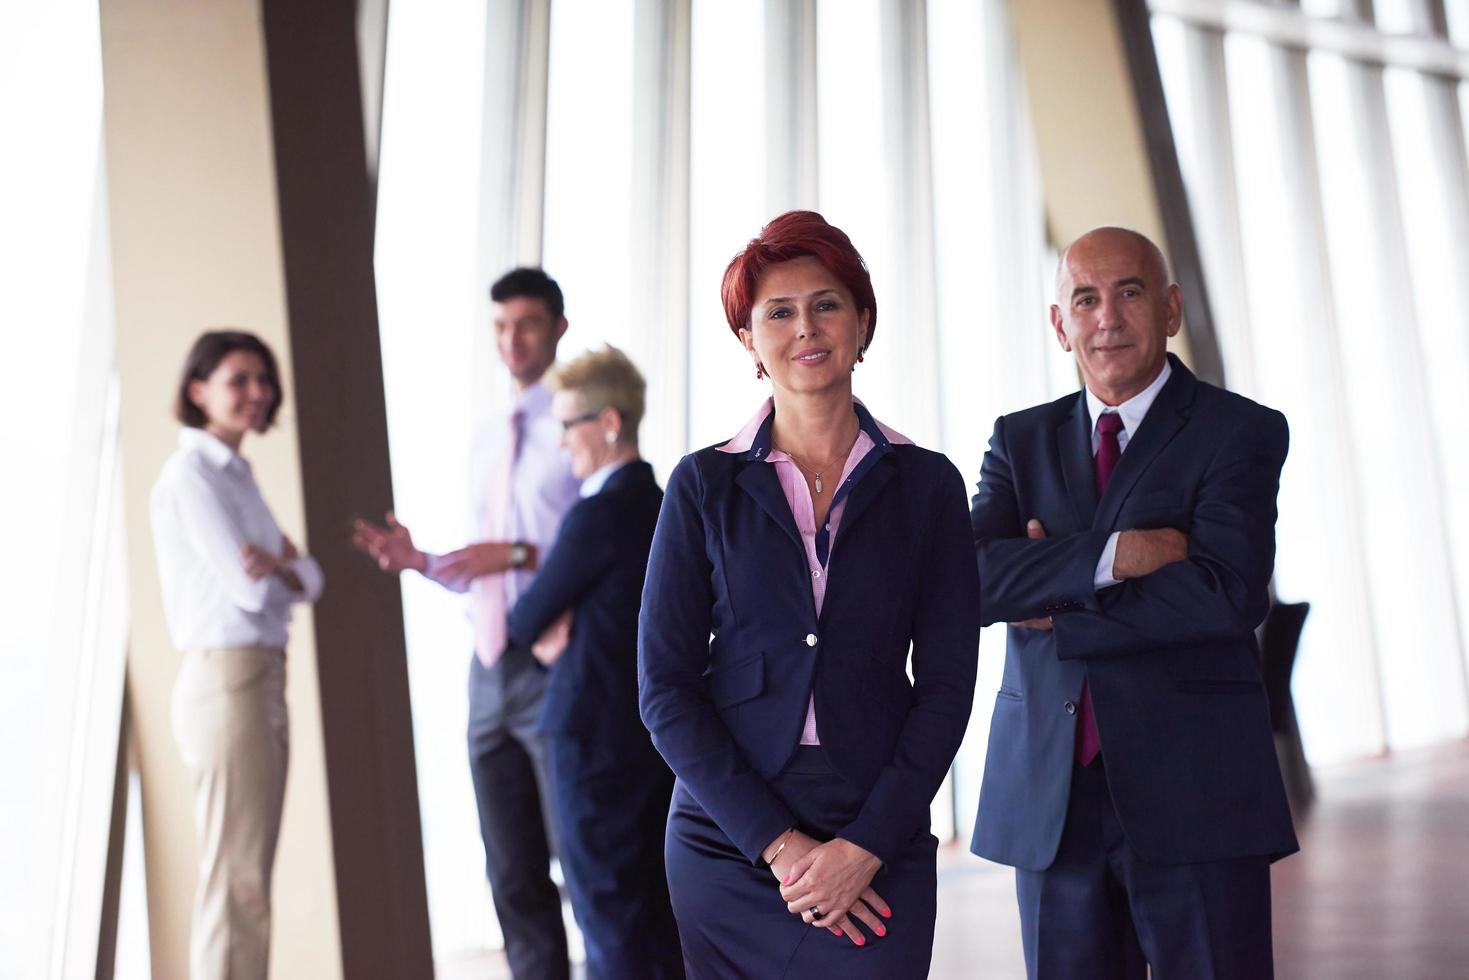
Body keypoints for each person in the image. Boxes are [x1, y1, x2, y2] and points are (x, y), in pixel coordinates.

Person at [638, 210, 981, 978]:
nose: (806, 327)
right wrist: (781, 848)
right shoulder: (702, 486)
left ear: (862, 321)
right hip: (729, 833)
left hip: (876, 820)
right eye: (778, 312)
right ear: (747, 341)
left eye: (826, 303)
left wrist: (863, 846)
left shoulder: (927, 486)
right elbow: (663, 690)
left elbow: (948, 686)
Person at [969, 227, 1298, 979]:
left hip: (1197, 796)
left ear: (1171, 308)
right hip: (1049, 800)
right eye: (1084, 299)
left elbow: (1224, 594)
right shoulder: (1018, 439)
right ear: (1060, 325)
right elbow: (975, 579)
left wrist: (1058, 599)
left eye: (1129, 293)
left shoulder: (1238, 431)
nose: (1106, 318)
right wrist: (1121, 556)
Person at [353, 268, 580, 980]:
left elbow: (609, 540)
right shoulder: (486, 434)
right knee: (510, 868)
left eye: (528, 324)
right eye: (501, 327)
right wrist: (420, 558)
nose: (512, 340)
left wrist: (514, 554)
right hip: (487, 668)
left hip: (559, 659)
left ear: (557, 330)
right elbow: (479, 558)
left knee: (584, 853)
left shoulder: (580, 424)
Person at [503, 345, 683, 980]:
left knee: (608, 918)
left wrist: (563, 623)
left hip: (590, 743)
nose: (559, 443)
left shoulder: (597, 514)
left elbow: (523, 621)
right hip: (653, 742)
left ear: (609, 423)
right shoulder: (665, 506)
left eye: (567, 425)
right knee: (657, 913)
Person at [150, 330, 325, 980]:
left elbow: (311, 578)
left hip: (258, 680)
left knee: (246, 875)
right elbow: (255, 588)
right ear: (198, 391)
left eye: (263, 380)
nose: (257, 393)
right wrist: (282, 566)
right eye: (238, 380)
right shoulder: (191, 475)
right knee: (237, 880)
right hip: (227, 682)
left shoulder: (236, 473)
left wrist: (282, 566)